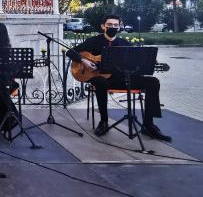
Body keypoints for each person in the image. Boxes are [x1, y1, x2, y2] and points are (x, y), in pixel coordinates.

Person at [67, 14, 171, 142]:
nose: (113, 27)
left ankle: (148, 125)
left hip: (120, 79)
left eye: (116, 25)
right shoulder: (94, 41)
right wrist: (83, 60)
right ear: (103, 26)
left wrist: (149, 64)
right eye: (109, 25)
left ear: (120, 27)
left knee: (153, 82)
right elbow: (70, 52)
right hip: (99, 78)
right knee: (101, 82)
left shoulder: (124, 44)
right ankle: (104, 122)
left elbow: (136, 63)